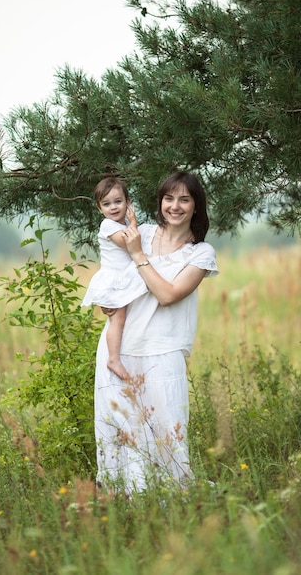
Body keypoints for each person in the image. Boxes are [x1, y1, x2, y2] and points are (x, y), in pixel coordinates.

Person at [94, 171, 219, 493]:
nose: (174, 206)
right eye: (168, 198)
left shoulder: (200, 254)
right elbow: (113, 270)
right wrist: (107, 299)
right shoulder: (143, 233)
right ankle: (126, 497)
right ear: (160, 202)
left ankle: (169, 498)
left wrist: (138, 256)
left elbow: (167, 296)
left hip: (162, 351)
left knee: (167, 429)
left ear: (196, 206)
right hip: (118, 350)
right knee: (121, 429)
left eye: (184, 199)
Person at [81, 177, 147, 380]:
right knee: (117, 319)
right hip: (113, 280)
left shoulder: (123, 223)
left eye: (118, 201)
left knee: (126, 317)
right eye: (106, 204)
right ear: (99, 208)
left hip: (123, 277)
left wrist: (131, 223)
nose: (113, 207)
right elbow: (129, 242)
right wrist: (134, 223)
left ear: (128, 201)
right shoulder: (107, 226)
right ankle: (113, 359)